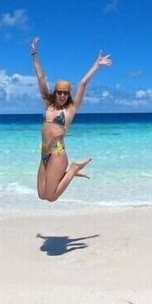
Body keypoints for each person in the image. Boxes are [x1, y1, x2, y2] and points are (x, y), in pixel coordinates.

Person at [30, 36, 112, 202]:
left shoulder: (70, 110)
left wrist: (96, 65)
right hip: (44, 153)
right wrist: (34, 54)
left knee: (51, 197)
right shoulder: (48, 105)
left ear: (68, 95)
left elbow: (82, 84)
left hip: (58, 155)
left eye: (65, 93)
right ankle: (70, 173)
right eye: (59, 92)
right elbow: (40, 77)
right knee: (42, 195)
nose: (62, 95)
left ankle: (73, 169)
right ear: (55, 93)